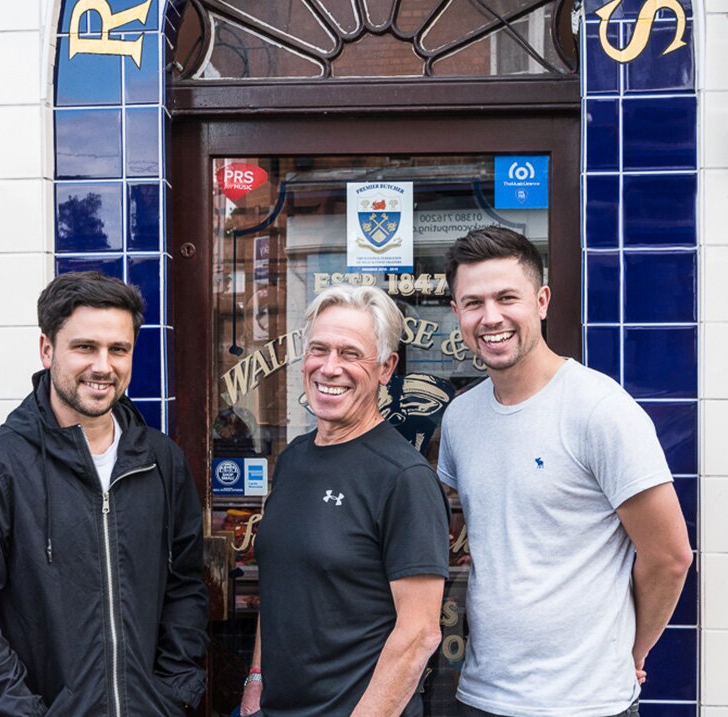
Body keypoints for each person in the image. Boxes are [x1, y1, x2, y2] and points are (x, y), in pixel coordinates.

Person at [437, 227, 692, 717]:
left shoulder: (598, 408)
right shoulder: (460, 419)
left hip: (585, 702)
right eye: (473, 303)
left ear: (542, 301)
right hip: (481, 694)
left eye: (506, 297)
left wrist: (630, 653)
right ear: (457, 313)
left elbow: (670, 555)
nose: (491, 317)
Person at [0, 272, 208, 717]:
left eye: (118, 349)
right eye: (85, 347)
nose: (103, 366)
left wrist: (172, 693)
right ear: (47, 349)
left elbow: (185, 588)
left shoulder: (161, 461)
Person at [240, 285, 451, 717]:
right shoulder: (294, 458)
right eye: (319, 350)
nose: (329, 367)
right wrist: (256, 680)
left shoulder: (404, 478)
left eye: (351, 354)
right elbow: (280, 584)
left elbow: (419, 635)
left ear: (385, 368)